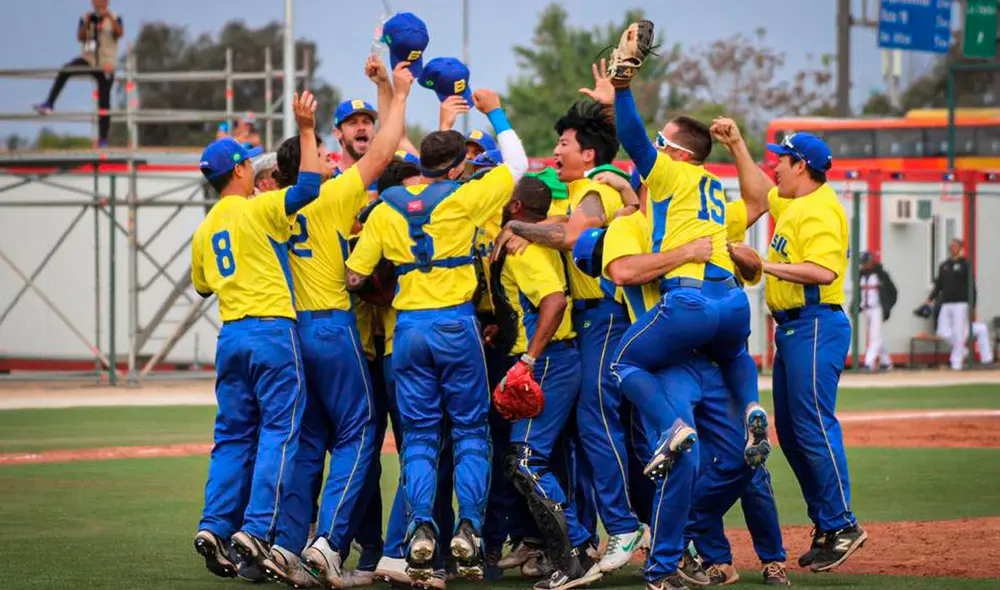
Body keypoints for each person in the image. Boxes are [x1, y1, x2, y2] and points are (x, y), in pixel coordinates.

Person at [345, 88, 528, 583]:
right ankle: (468, 528)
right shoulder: (465, 196)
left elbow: (356, 276)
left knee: (420, 437)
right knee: (470, 431)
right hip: (455, 324)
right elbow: (517, 161)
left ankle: (421, 531)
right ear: (452, 170)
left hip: (407, 331)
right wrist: (494, 111)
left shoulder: (385, 207)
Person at [274, 62, 413, 588]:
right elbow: (387, 146)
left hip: (291, 332)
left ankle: (287, 545)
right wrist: (398, 92)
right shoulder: (333, 196)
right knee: (359, 438)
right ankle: (329, 545)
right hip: (336, 329)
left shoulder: (268, 208)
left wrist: (305, 133)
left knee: (309, 440)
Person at [606, 57, 768, 483]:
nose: (655, 146)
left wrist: (622, 88)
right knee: (735, 354)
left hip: (689, 299)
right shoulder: (712, 188)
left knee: (622, 364)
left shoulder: (670, 174)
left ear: (679, 154)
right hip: (732, 301)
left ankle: (671, 429)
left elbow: (632, 139)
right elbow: (759, 200)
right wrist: (737, 146)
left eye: (663, 141)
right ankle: (752, 405)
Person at [190, 92, 321, 581]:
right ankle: (255, 526)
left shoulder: (205, 228)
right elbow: (308, 186)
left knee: (231, 436)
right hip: (271, 330)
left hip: (232, 334)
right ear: (241, 171)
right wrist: (306, 129)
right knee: (279, 430)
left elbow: (203, 284)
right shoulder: (259, 207)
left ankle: (214, 525)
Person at [729, 130, 866, 573]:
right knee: (790, 432)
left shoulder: (820, 208)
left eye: (781, 160)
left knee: (814, 428)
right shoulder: (794, 200)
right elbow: (757, 189)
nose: (775, 167)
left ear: (801, 165)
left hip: (816, 324)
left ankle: (843, 523)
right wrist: (735, 145)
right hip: (792, 331)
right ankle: (826, 524)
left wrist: (762, 264)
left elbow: (824, 271)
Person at [491, 177, 602, 590]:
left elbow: (553, 301)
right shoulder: (541, 239)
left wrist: (528, 359)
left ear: (516, 207)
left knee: (526, 460)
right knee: (545, 459)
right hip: (557, 356)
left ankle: (573, 556)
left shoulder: (525, 248)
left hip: (550, 360)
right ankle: (574, 548)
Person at [34, 0, 123, 148]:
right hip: (88, 58)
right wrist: (88, 22)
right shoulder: (85, 17)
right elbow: (80, 37)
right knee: (66, 70)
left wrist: (109, 18)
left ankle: (103, 139)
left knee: (104, 101)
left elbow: (119, 33)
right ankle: (49, 103)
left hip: (106, 62)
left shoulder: (115, 16)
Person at [924, 238, 976, 371]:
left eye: (955, 245)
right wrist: (930, 298)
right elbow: (938, 285)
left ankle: (956, 362)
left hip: (961, 303)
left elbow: (972, 285)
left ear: (960, 248)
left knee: (959, 331)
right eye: (951, 245)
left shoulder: (965, 264)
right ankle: (962, 349)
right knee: (942, 331)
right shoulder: (944, 265)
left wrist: (973, 304)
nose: (953, 247)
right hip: (946, 302)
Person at [859, 251, 898, 372]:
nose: (864, 265)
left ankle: (868, 363)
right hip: (866, 308)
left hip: (877, 308)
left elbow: (893, 291)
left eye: (866, 262)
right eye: (862, 263)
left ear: (871, 262)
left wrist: (887, 306)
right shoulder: (861, 274)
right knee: (877, 335)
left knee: (874, 336)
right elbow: (858, 292)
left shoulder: (881, 274)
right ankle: (886, 362)